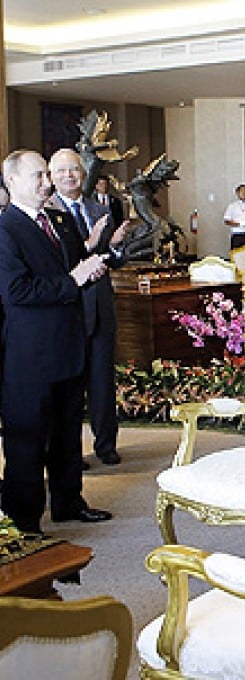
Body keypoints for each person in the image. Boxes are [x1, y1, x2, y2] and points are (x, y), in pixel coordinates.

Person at [0, 149, 112, 534]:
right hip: (29, 357)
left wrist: (97, 262)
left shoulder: (61, 221)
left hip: (68, 346)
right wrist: (74, 280)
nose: (47, 182)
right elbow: (16, 291)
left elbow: (78, 267)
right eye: (38, 176)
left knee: (67, 435)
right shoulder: (5, 229)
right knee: (27, 442)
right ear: (11, 181)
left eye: (46, 174)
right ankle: (24, 523)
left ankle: (68, 502)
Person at [48, 148, 130, 466]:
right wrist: (90, 246)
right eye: (62, 171)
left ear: (84, 174)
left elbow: (113, 259)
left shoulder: (99, 207)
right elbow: (57, 263)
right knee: (68, 388)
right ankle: (70, 452)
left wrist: (115, 247)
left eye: (75, 170)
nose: (70, 176)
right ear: (52, 177)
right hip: (67, 311)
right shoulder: (46, 212)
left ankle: (106, 445)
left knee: (102, 384)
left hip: (100, 308)